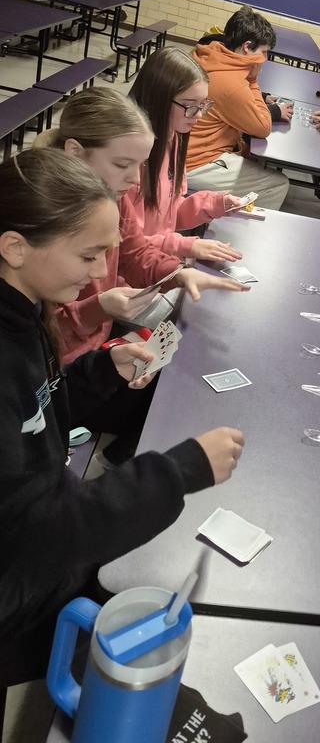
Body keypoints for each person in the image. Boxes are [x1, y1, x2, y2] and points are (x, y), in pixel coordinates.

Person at [0, 149, 244, 681]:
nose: (97, 275)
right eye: (88, 256)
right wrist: (177, 472)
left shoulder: (25, 310)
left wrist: (99, 369)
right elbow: (42, 532)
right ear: (15, 248)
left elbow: (43, 412)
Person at [34, 87, 248, 366]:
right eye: (123, 164)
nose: (136, 179)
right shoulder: (45, 220)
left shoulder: (112, 196)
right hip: (61, 365)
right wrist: (97, 309)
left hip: (98, 342)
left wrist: (178, 272)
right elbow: (41, 335)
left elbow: (135, 252)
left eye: (140, 166)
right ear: (75, 151)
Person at [128, 45, 245, 263]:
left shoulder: (173, 137)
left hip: (158, 263)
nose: (199, 115)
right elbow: (127, 245)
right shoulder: (130, 162)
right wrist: (184, 245)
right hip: (136, 275)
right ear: (159, 99)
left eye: (203, 105)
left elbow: (171, 215)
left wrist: (214, 204)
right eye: (190, 106)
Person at [185, 6, 290, 209]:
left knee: (251, 155)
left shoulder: (212, 51)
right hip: (193, 163)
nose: (265, 60)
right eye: (264, 53)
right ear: (247, 47)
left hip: (182, 151)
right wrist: (252, 78)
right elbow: (262, 126)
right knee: (277, 184)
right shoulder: (233, 83)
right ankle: (236, 236)